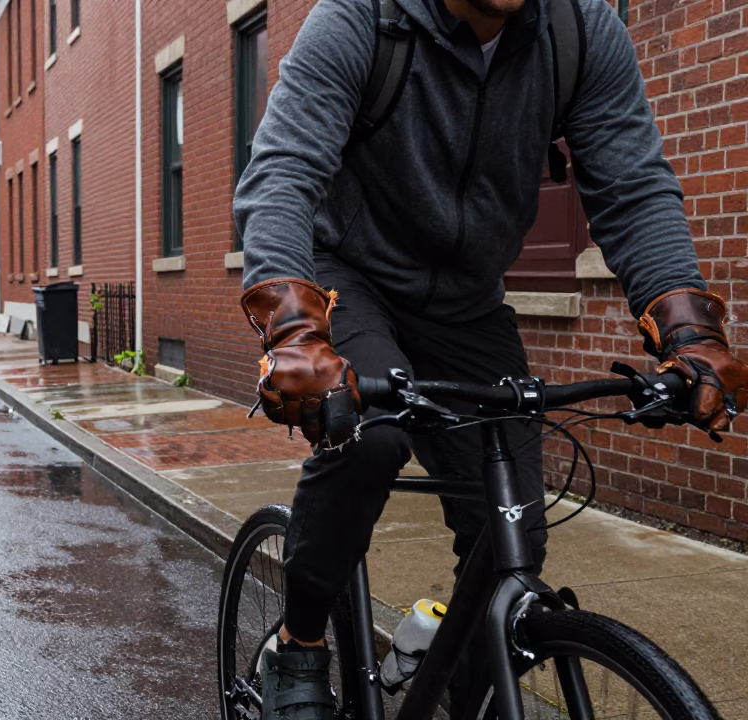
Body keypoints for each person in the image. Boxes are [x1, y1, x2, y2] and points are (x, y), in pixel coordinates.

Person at [234, 0, 748, 715]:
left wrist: (689, 331)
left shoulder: (577, 32)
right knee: (372, 438)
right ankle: (301, 640)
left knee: (513, 534)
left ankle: (460, 688)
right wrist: (295, 333)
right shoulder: (363, 19)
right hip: (348, 278)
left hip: (468, 305)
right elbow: (283, 172)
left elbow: (632, 188)